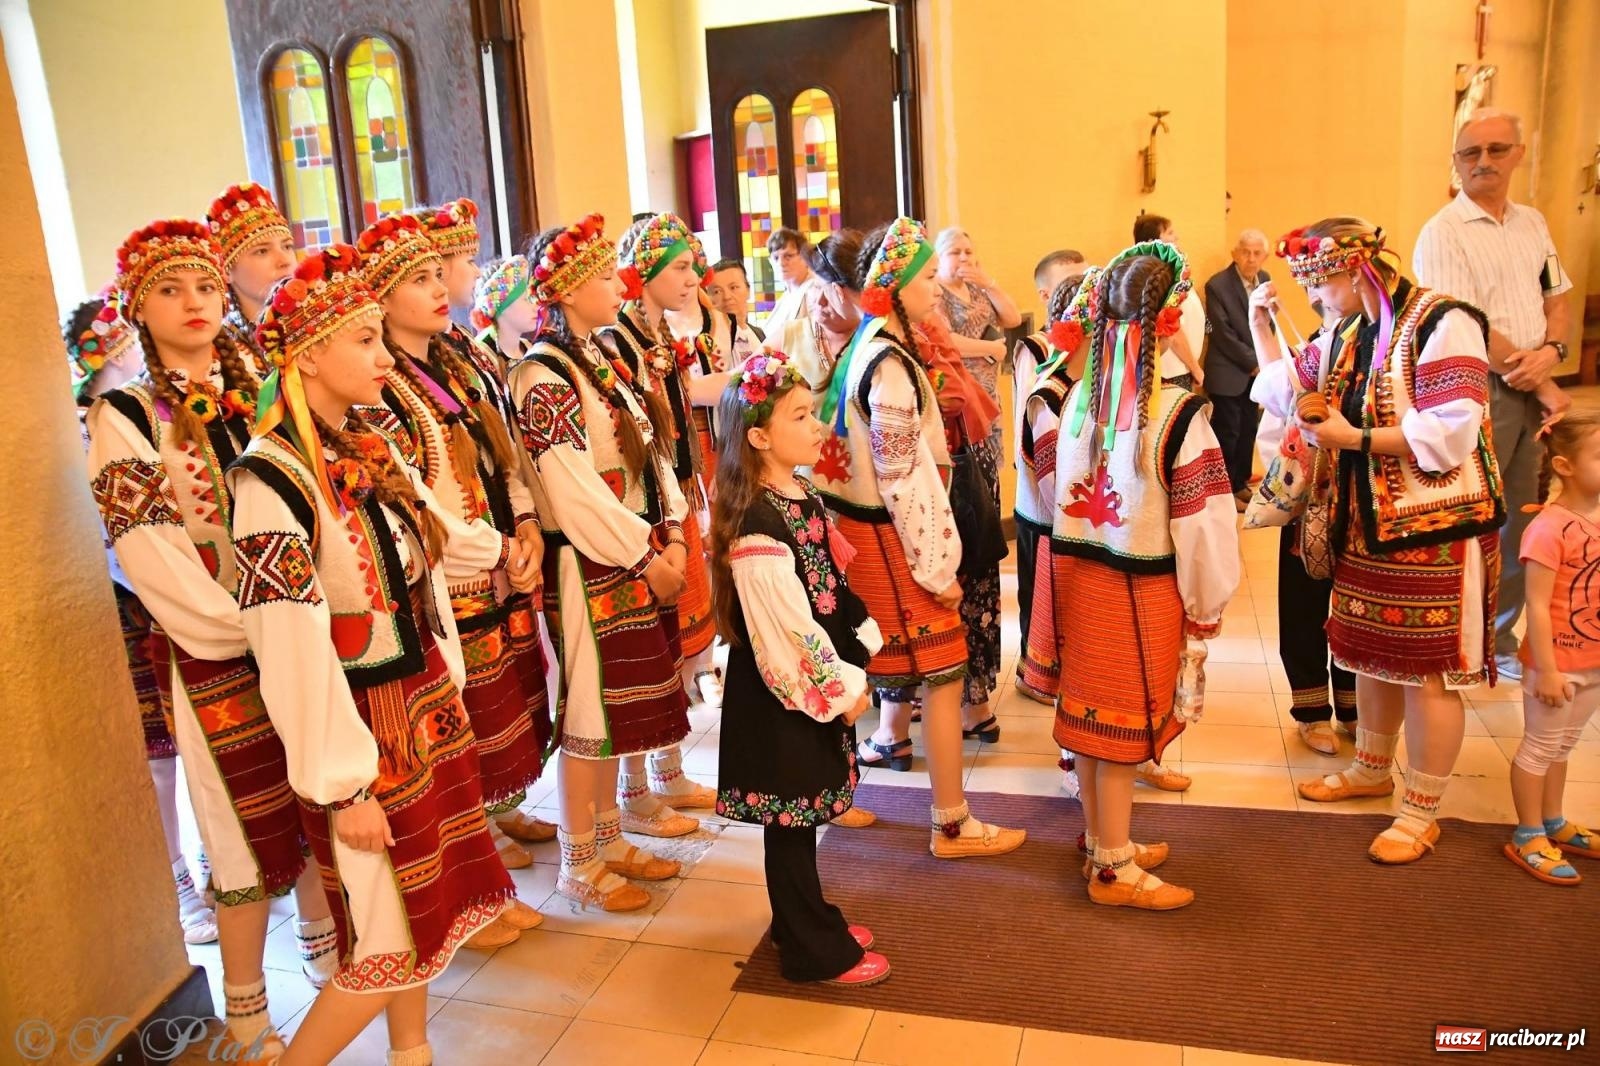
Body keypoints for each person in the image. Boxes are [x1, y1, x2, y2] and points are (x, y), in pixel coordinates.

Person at [229, 244, 531, 1064]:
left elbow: (437, 533)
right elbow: (290, 647)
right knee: (385, 938)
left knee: (423, 918)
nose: (379, 357)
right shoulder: (270, 480)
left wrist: (507, 546)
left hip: (420, 702)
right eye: (362, 341)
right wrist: (344, 785)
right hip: (361, 727)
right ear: (309, 356)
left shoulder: (364, 439)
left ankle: (412, 1053)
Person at [88, 220, 332, 1058]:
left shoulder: (261, 388)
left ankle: (332, 972)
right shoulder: (121, 415)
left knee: (315, 795)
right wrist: (245, 630)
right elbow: (147, 549)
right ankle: (249, 1018)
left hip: (296, 632)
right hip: (212, 650)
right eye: (169, 290)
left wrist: (302, 621)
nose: (193, 304)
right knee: (236, 827)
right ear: (136, 307)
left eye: (204, 288)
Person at [1252, 218, 1503, 864]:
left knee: (1428, 674)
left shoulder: (1443, 322)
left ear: (1362, 269)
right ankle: (1371, 769)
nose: (1314, 300)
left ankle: (1421, 809)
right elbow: (1290, 394)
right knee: (1366, 652)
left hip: (1437, 526)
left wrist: (1353, 440)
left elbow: (1451, 434)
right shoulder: (1342, 330)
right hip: (1364, 523)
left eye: (1324, 284)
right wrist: (1261, 328)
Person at [813, 217, 1025, 859]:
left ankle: (841, 794)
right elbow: (901, 473)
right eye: (927, 277)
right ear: (896, 286)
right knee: (941, 673)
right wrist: (936, 563)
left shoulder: (874, 346)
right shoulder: (890, 365)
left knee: (869, 672)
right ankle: (951, 823)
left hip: (870, 533)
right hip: (891, 541)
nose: (937, 286)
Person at [353, 213, 553, 892]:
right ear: (380, 303)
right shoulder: (386, 390)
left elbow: (501, 457)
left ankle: (501, 816)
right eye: (419, 279)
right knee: (466, 722)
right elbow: (422, 508)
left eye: (440, 273)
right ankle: (481, 850)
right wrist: (496, 548)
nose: (441, 288)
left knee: (508, 706)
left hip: (494, 558)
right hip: (454, 575)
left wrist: (523, 523)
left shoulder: (455, 358)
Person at [508, 213, 694, 910]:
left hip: (634, 544)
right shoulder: (541, 375)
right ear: (561, 290)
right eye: (597, 277)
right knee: (590, 710)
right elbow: (572, 489)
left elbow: (653, 450)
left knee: (620, 706)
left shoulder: (602, 358)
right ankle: (577, 863)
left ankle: (611, 835)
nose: (615, 283)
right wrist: (645, 556)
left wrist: (670, 530)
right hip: (588, 561)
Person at [1050, 244, 1239, 909]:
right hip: (1138, 590)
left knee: (1100, 730)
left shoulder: (1078, 397)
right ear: (1172, 319)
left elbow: (1054, 490)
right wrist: (1206, 606)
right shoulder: (1177, 416)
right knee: (1124, 735)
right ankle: (1112, 869)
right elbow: (1205, 528)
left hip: (1082, 580)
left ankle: (1108, 840)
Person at [709, 349, 890, 985]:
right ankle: (812, 949)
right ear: (759, 436)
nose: (818, 427)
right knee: (789, 821)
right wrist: (840, 689)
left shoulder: (799, 492)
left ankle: (802, 922)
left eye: (814, 412)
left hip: (808, 685)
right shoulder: (758, 523)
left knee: (800, 817)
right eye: (801, 416)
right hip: (784, 694)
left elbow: (828, 581)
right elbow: (787, 629)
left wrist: (859, 634)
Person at [68, 288, 219, 947]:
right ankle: (179, 878)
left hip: (191, 591)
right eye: (124, 344)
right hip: (130, 604)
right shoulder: (90, 425)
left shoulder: (171, 407)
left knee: (207, 741)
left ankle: (220, 854)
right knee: (159, 757)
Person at [1413, 107, 1573, 683]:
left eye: (1496, 150)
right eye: (1470, 154)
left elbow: (1556, 294)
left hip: (1533, 379)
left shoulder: (1533, 223)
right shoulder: (1442, 232)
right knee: (1471, 513)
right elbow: (1463, 321)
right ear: (1455, 164)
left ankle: (1502, 637)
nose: (1483, 163)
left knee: (1522, 519)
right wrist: (1541, 376)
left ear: (1518, 153)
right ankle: (1460, 635)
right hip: (1476, 387)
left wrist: (1552, 352)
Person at [607, 212, 723, 821]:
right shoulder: (617, 340)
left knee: (676, 642)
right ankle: (636, 786)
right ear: (644, 272)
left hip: (676, 498)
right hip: (645, 511)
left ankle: (669, 770)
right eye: (679, 267)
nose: (693, 276)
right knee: (650, 650)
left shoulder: (657, 335)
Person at [931, 226, 1023, 740]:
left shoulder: (976, 287)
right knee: (963, 523)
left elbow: (1011, 318)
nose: (963, 258)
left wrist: (986, 280)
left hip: (986, 416)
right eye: (954, 252)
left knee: (984, 507)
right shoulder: (934, 296)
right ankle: (953, 691)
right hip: (956, 417)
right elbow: (951, 340)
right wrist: (990, 349)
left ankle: (974, 687)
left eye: (969, 249)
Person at [1503, 410, 1600, 884]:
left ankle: (1555, 822)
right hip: (1555, 663)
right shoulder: (1548, 527)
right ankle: (1528, 832)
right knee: (1540, 748)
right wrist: (1547, 669)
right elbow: (1536, 606)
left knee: (1563, 747)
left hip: (1594, 661)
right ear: (1564, 465)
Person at [1263, 298, 1359, 756]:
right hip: (1313, 489)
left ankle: (1356, 705)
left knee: (1355, 601)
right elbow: (1274, 390)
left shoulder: (1392, 349)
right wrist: (1260, 326)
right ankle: (1313, 711)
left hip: (1366, 494)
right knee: (1304, 600)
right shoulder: (1315, 350)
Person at [1016, 271, 1094, 706]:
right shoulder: (1051, 392)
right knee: (1050, 614)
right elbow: (1052, 486)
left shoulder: (1090, 385)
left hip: (1080, 526)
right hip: (1060, 523)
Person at [1204, 229, 1272, 510]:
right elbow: (1222, 332)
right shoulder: (1217, 285)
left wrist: (1267, 361)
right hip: (1228, 372)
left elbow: (1269, 323)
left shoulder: (1265, 281)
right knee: (1228, 433)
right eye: (1246, 252)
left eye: (1257, 253)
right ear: (1235, 254)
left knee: (1249, 430)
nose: (1251, 258)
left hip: (1255, 373)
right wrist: (1253, 362)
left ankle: (1241, 483)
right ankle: (1225, 491)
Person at [205, 181, 297, 376]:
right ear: (226, 271)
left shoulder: (312, 326)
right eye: (262, 251)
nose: (284, 261)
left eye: (287, 247)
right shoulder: (218, 354)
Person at [1012, 249, 1087, 431]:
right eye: (1070, 285)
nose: (1084, 292)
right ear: (1046, 296)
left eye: (1087, 281)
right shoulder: (1036, 348)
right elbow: (1026, 418)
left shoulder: (1098, 340)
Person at [1131, 214, 1205, 388]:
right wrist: (1195, 367)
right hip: (1171, 371)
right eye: (1170, 233)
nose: (1176, 237)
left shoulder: (1172, 271)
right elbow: (1171, 328)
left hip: (1182, 367)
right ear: (1153, 241)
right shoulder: (1157, 278)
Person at [471, 254, 538, 362]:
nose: (536, 306)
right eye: (526, 299)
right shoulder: (481, 356)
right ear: (500, 305)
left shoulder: (529, 348)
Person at [762, 227, 816, 333]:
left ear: (804, 257)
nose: (781, 263)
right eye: (776, 258)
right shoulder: (788, 294)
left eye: (788, 256)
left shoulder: (814, 290)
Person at [712, 257, 766, 362]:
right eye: (717, 291)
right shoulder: (710, 342)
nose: (727, 296)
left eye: (734, 287)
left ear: (748, 290)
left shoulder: (759, 334)